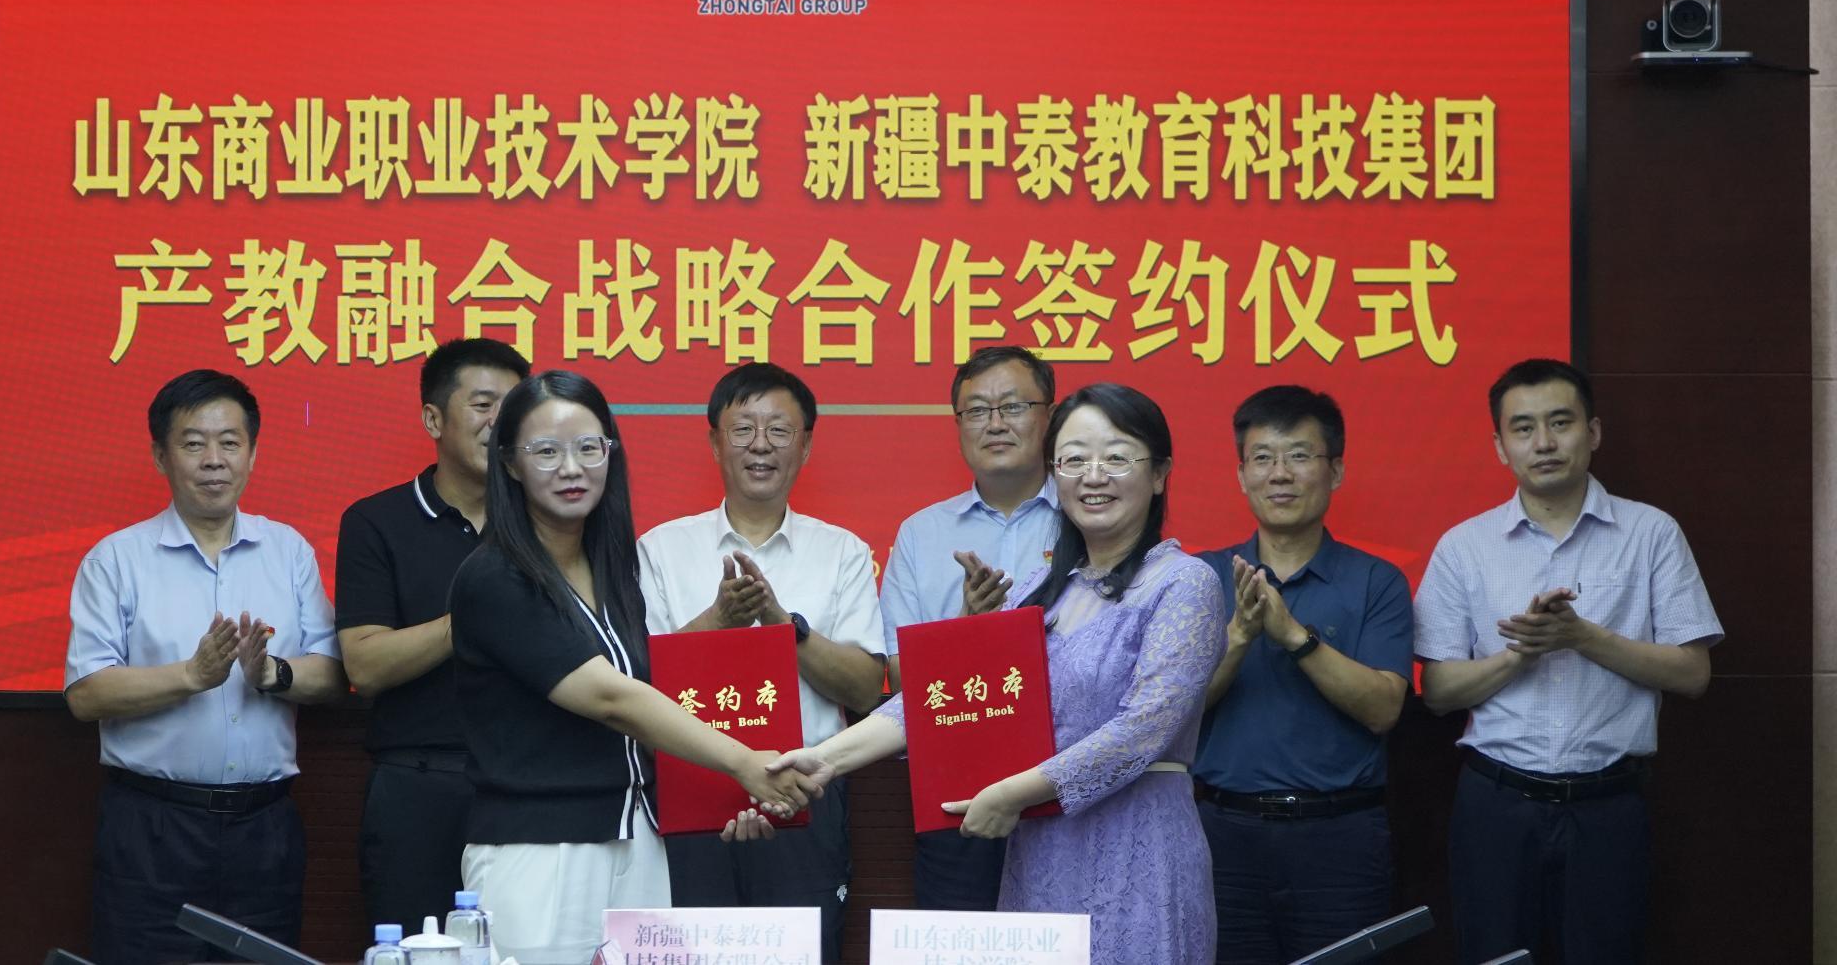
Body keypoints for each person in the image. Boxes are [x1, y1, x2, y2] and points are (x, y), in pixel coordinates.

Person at [732, 382, 1226, 965]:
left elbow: (1141, 732)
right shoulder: (1043, 594)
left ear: (1159, 473)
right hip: (1041, 851)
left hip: (1138, 848)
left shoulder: (1183, 583)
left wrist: (1013, 792)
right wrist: (824, 760)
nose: (1093, 477)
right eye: (1073, 460)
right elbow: (942, 697)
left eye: (1117, 458)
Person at [450, 369, 816, 965]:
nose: (571, 468)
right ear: (510, 463)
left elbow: (647, 681)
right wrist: (745, 764)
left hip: (637, 834)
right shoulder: (494, 578)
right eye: (546, 451)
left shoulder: (614, 567)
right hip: (543, 849)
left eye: (588, 447)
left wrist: (731, 797)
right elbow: (612, 699)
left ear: (610, 454)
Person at [1414, 358, 1722, 964]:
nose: (1544, 443)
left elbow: (1693, 674)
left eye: (1561, 422)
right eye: (1523, 428)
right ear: (1500, 447)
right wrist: (1521, 654)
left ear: (1593, 432)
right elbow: (1439, 691)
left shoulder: (1651, 533)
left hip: (1610, 805)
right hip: (1497, 804)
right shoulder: (1463, 546)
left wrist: (1582, 638)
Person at [63, 369, 345, 965]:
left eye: (229, 442)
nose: (214, 460)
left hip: (264, 829)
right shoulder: (116, 560)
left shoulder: (289, 552)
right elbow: (85, 694)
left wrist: (273, 675)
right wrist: (191, 676)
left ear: (252, 453)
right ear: (160, 457)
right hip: (152, 829)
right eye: (193, 444)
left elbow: (331, 672)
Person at [638, 362, 886, 963]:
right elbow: (639, 683)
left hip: (806, 793)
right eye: (743, 428)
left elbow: (865, 689)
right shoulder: (661, 549)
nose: (760, 445)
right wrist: (719, 619)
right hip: (693, 792)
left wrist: (783, 626)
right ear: (715, 442)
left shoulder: (843, 552)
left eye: (779, 430)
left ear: (805, 446)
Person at [1193, 385, 1413, 963]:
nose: (1280, 474)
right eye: (1262, 458)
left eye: (1299, 456)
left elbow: (1384, 709)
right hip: (1222, 834)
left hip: (1340, 839)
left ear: (1335, 470)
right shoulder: (1199, 579)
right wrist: (1240, 636)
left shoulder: (1377, 582)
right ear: (1242, 475)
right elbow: (1175, 712)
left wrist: (1294, 636)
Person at [335, 338, 530, 936]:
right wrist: (469, 618)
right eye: (483, 404)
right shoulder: (376, 522)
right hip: (417, 787)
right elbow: (365, 666)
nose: (500, 422)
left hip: (528, 784)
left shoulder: (548, 521)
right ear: (433, 419)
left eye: (513, 408)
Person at [878, 345, 1061, 911]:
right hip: (957, 796)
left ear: (1049, 416)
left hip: (1066, 786)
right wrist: (968, 631)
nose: (996, 423)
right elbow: (899, 679)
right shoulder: (921, 534)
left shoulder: (1090, 518)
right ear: (958, 425)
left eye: (1013, 406)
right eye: (977, 410)